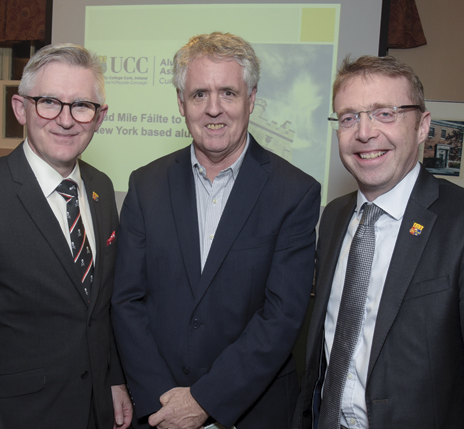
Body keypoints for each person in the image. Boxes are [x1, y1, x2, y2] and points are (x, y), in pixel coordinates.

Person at [293, 55, 464, 429]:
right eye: (349, 117)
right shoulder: (334, 216)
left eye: (385, 113)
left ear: (422, 126)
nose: (365, 132)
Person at [111, 32, 321, 429]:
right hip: (157, 409)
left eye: (228, 93)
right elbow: (127, 300)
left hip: (252, 412)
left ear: (251, 99)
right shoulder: (145, 184)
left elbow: (282, 316)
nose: (213, 109)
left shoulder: (295, 192)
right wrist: (164, 402)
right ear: (180, 103)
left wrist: (206, 400)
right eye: (198, 95)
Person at [0, 43, 132, 429]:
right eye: (49, 102)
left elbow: (100, 309)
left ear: (99, 117)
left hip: (96, 413)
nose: (66, 119)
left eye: (81, 106)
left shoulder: (100, 188)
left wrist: (114, 377)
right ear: (20, 108)